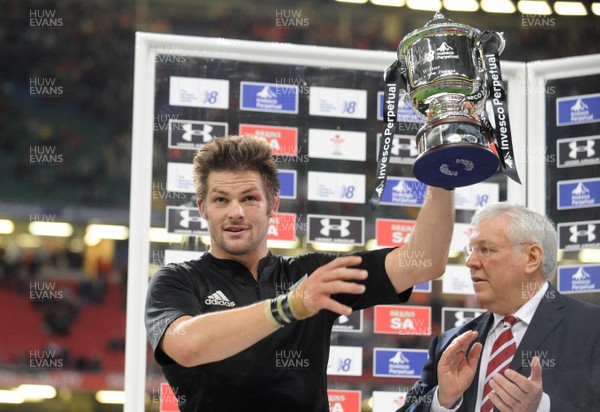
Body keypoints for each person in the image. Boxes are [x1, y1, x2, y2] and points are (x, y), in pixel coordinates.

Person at [145, 135, 455, 412]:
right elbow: (186, 345)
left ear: (273, 205)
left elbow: (423, 262)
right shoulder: (177, 280)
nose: (235, 212)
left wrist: (441, 166)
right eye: (221, 200)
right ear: (202, 208)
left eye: (249, 198)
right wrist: (291, 306)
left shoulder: (312, 274)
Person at [399, 202, 600, 412]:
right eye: (470, 251)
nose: (470, 262)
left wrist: (543, 408)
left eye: (486, 249)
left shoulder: (592, 329)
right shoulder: (450, 344)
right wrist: (442, 402)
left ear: (531, 258)